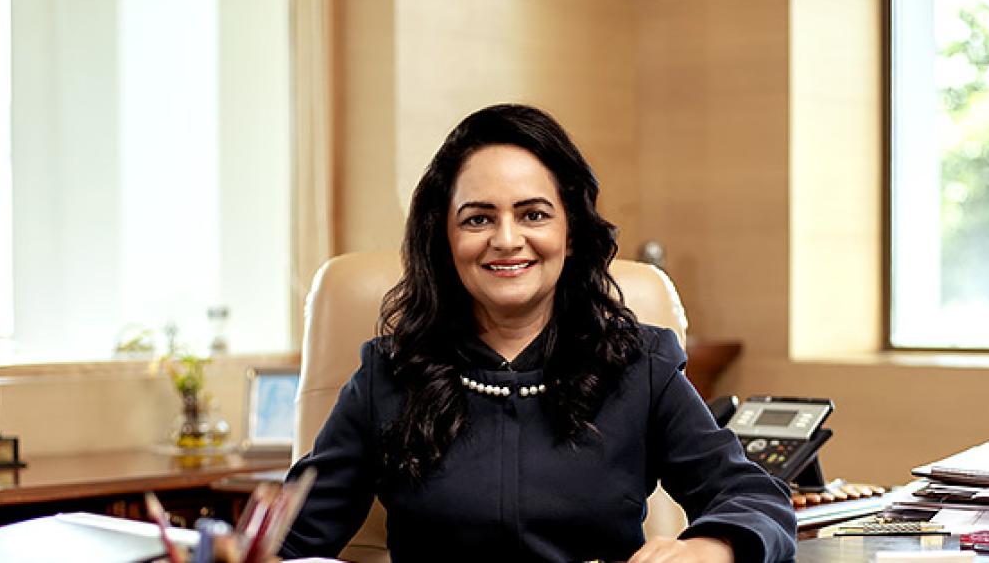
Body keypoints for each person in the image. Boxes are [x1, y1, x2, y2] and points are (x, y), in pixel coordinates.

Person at [280, 104, 796, 562]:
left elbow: (755, 498)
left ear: (570, 233)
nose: (507, 240)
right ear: (445, 239)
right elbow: (289, 541)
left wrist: (712, 548)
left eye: (533, 214)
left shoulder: (639, 366)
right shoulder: (389, 375)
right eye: (478, 219)